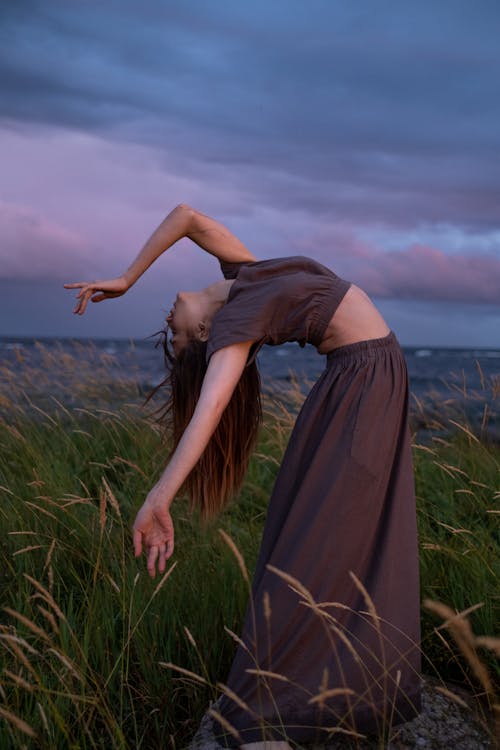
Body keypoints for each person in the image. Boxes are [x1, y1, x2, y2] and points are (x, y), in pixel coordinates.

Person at [64, 204, 422, 749]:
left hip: (365, 377)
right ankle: (283, 707)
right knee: (306, 538)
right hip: (360, 379)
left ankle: (322, 694)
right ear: (207, 332)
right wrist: (160, 497)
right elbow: (208, 412)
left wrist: (126, 279)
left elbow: (186, 216)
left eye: (171, 336)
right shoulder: (235, 326)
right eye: (180, 337)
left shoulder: (246, 276)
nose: (169, 323)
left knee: (326, 533)